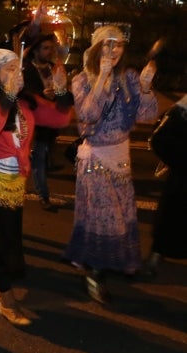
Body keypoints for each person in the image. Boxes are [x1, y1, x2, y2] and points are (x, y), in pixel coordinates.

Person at [0, 49, 72, 326]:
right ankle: (7, 300)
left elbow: (60, 119)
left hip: (14, 182)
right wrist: (6, 98)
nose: (17, 73)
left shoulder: (26, 102)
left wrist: (61, 91)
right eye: (10, 68)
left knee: (6, 236)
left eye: (19, 68)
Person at [63, 25, 159, 305]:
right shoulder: (82, 80)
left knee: (121, 219)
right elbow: (88, 114)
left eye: (118, 45)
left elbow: (148, 116)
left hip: (121, 162)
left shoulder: (129, 78)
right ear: (95, 49)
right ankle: (94, 274)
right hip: (96, 162)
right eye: (107, 44)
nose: (113, 50)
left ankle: (98, 269)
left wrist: (145, 87)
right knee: (104, 221)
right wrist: (102, 78)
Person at [22, 34, 69, 211]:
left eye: (51, 48)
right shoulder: (26, 69)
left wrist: (59, 91)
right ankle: (43, 195)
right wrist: (42, 95)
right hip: (34, 121)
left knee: (44, 156)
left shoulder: (53, 68)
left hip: (51, 120)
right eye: (45, 48)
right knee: (38, 158)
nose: (49, 51)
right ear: (35, 50)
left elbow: (63, 89)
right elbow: (22, 92)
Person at [142, 94, 187, 277]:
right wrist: (181, 162)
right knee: (171, 217)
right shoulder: (182, 111)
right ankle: (155, 257)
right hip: (182, 179)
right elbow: (159, 139)